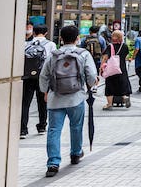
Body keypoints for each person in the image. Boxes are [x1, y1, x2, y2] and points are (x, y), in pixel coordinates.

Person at [38, 24, 97, 177]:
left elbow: (44, 76)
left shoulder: (53, 54)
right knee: (76, 126)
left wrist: (45, 91)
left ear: (61, 38)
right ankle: (76, 153)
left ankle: (53, 162)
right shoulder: (83, 54)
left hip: (55, 98)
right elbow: (91, 76)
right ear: (78, 38)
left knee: (53, 130)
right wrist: (91, 84)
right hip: (76, 97)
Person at [21, 25, 57, 139]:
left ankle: (23, 129)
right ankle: (42, 126)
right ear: (46, 33)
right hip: (43, 77)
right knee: (42, 102)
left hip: (28, 77)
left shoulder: (26, 44)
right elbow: (53, 62)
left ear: (34, 33)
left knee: (25, 103)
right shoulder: (51, 45)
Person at [100, 30, 132, 109]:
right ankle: (124, 97)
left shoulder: (110, 46)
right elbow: (126, 57)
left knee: (109, 86)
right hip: (122, 69)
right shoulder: (124, 46)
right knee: (121, 85)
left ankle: (109, 104)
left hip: (111, 69)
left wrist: (101, 67)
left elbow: (105, 58)